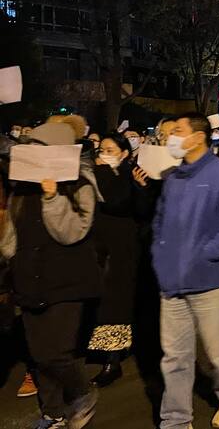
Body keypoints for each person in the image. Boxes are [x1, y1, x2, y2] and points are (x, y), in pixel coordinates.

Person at [152, 113, 219, 428]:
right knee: (174, 357)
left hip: (211, 281)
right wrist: (161, 256)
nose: (171, 137)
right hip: (172, 283)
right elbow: (160, 223)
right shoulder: (172, 177)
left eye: (178, 131)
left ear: (198, 136)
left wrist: (210, 254)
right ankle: (176, 419)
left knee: (218, 354)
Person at [1, 123, 100, 429]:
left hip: (66, 283)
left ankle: (82, 393)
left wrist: (53, 197)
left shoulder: (79, 186)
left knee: (54, 353)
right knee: (38, 354)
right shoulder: (21, 188)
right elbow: (12, 237)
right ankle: (53, 413)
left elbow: (71, 233)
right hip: (29, 282)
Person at [87, 133, 144, 388]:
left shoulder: (132, 174)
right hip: (97, 245)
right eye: (101, 149)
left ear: (124, 152)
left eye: (111, 149)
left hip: (122, 247)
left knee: (115, 301)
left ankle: (112, 359)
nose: (104, 153)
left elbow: (118, 201)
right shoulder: (93, 173)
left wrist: (105, 174)